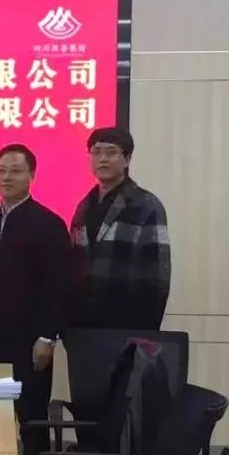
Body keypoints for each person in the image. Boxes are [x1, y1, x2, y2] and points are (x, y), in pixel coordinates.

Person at [0, 143, 71, 455]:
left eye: (15, 171)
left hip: (29, 339)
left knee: (31, 416)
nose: (6, 178)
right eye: (1, 171)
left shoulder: (49, 224)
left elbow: (58, 286)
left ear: (32, 176)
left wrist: (47, 337)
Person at [68, 127, 171, 330]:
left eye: (111, 152)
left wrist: (147, 331)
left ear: (127, 159)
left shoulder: (146, 204)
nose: (103, 159)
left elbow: (158, 275)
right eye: (96, 152)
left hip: (127, 324)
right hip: (81, 324)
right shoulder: (84, 206)